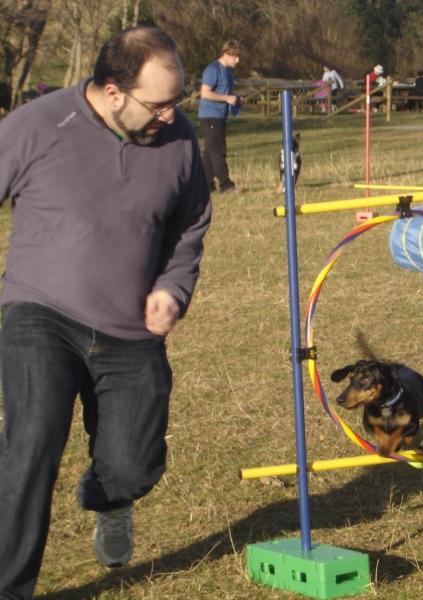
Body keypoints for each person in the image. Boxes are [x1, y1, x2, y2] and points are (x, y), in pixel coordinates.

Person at [0, 26, 211, 598]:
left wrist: (173, 286)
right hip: (40, 312)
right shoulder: (36, 126)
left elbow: (189, 223)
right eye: (160, 102)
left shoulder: (179, 139)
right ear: (112, 91)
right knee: (31, 446)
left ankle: (109, 498)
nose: (172, 114)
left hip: (130, 330)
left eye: (179, 99)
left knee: (133, 465)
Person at [199, 39, 242, 194]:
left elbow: (226, 93)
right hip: (210, 116)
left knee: (210, 152)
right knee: (218, 150)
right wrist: (227, 98)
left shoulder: (229, 72)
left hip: (220, 116)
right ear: (226, 54)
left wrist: (236, 99)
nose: (238, 60)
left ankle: (205, 184)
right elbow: (205, 93)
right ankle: (226, 184)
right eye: (235, 56)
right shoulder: (213, 69)